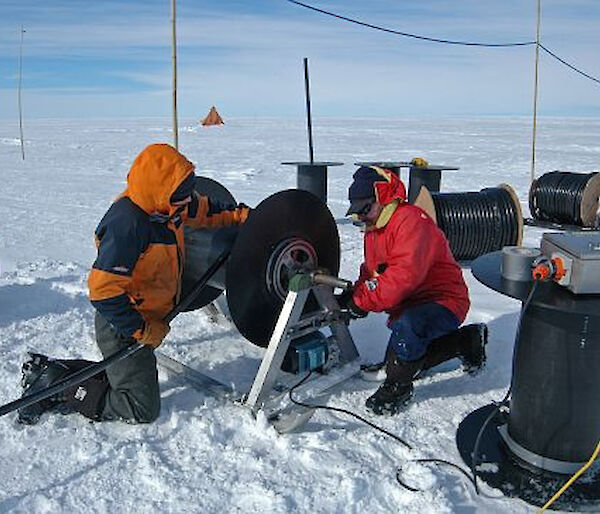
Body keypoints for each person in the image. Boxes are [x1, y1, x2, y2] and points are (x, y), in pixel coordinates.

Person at [18, 143, 249, 425]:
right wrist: (142, 330)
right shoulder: (127, 226)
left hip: (145, 315)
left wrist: (245, 217)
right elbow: (103, 293)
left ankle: (73, 374)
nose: (187, 203)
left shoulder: (169, 206)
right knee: (140, 407)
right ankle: (55, 383)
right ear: (161, 192)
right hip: (121, 323)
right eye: (181, 197)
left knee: (128, 375)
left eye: (188, 194)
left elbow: (206, 209)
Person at [339, 165, 487, 415]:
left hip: (443, 301)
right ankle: (467, 340)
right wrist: (356, 294)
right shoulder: (376, 228)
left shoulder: (411, 222)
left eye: (365, 209)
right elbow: (373, 270)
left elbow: (402, 277)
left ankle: (398, 388)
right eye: (357, 214)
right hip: (411, 303)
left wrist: (363, 302)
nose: (362, 218)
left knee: (405, 348)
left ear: (382, 197)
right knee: (402, 357)